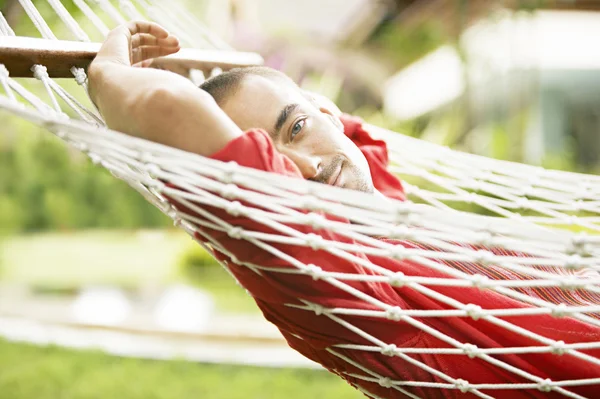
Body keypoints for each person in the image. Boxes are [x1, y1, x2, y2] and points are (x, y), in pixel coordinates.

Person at [88, 21, 600, 399]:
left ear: (326, 112)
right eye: (273, 165)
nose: (307, 168)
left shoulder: (388, 207)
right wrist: (106, 68)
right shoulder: (332, 274)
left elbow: (343, 136)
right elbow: (167, 106)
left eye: (297, 129)